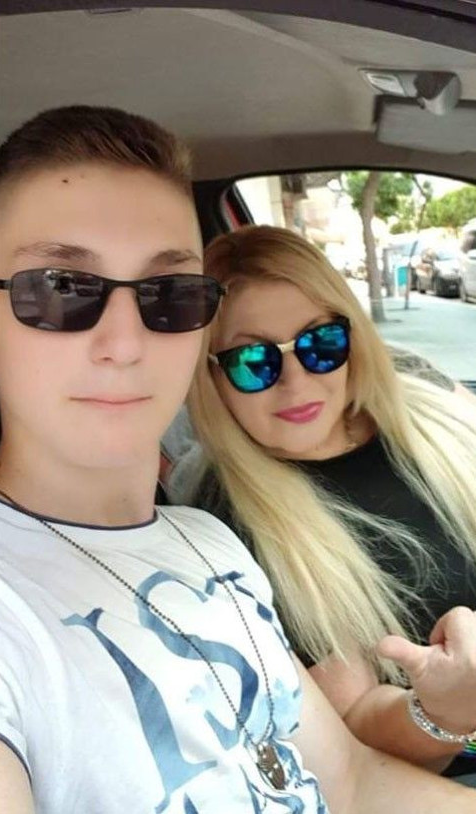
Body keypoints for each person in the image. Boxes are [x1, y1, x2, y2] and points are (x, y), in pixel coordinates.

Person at [0, 107, 475, 814]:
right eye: (60, 288)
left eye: (169, 294)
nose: (126, 343)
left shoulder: (208, 544)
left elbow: (352, 783)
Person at [179, 224, 476, 784]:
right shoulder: (228, 526)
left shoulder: (429, 406)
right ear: (210, 376)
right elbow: (353, 732)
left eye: (321, 344)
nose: (295, 383)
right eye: (252, 361)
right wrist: (447, 711)